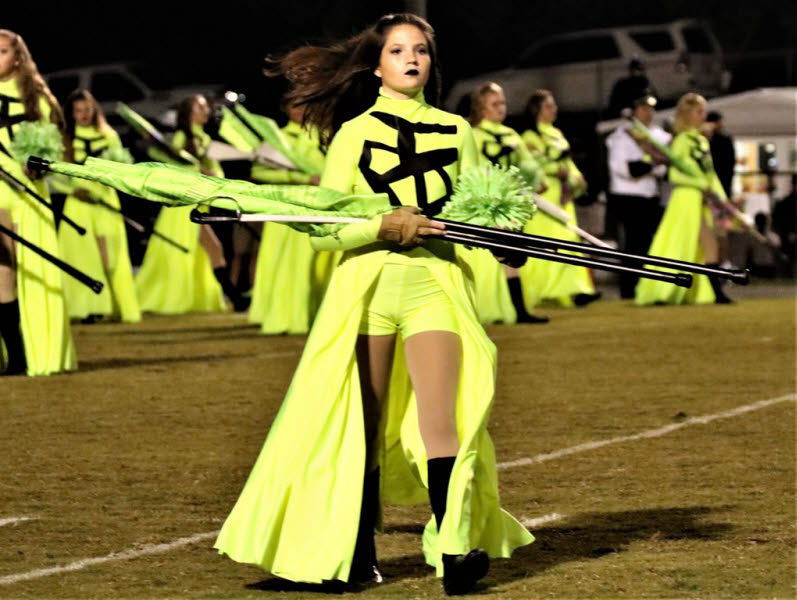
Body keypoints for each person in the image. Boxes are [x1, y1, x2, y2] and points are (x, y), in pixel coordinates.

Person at [214, 13, 533, 595]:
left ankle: (456, 551)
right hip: (366, 291)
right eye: (398, 50)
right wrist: (379, 226)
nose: (411, 59)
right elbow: (326, 226)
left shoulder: (458, 131)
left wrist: (504, 236)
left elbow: (475, 213)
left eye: (421, 51)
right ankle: (354, 559)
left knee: (445, 422)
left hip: (435, 286)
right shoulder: (355, 134)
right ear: (377, 63)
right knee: (360, 428)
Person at [0, 29, 75, 376]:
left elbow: (53, 143)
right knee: (2, 274)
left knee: (29, 271)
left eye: (1, 52)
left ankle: (34, 353)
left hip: (27, 193)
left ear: (17, 58)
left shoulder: (36, 96)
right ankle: (15, 356)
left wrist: (38, 165)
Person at [135, 94, 247, 313]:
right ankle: (235, 297)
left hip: (200, 203)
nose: (205, 112)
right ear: (188, 114)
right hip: (185, 205)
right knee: (214, 247)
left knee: (202, 252)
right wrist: (200, 171)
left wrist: (215, 175)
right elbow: (175, 170)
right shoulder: (180, 138)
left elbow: (216, 169)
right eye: (200, 108)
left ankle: (228, 296)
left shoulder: (204, 138)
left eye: (205, 108)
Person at [464, 81, 549, 324]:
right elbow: (471, 168)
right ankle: (481, 309)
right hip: (483, 204)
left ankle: (519, 311)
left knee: (512, 258)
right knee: (485, 260)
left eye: (502, 102)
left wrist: (537, 180)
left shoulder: (511, 134)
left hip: (510, 203)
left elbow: (527, 163)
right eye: (495, 103)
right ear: (481, 107)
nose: (501, 108)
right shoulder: (472, 134)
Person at [635, 93, 732, 305]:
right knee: (681, 245)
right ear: (687, 115)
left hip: (702, 199)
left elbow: (710, 174)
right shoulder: (681, 141)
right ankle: (663, 289)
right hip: (686, 199)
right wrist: (701, 186)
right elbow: (675, 175)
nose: (703, 116)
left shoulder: (701, 142)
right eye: (699, 112)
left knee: (709, 245)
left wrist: (721, 199)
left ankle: (715, 293)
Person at [58, 89, 141, 323]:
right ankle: (91, 307)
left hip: (104, 200)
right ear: (71, 113)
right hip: (77, 202)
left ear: (95, 110)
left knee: (109, 255)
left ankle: (116, 304)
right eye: (78, 111)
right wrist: (73, 190)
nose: (83, 115)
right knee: (83, 255)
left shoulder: (109, 135)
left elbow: (121, 169)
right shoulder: (66, 137)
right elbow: (57, 174)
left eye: (87, 110)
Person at [247, 101, 330, 334]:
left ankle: (314, 311)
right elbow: (258, 172)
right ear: (286, 110)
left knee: (316, 261)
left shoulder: (322, 135)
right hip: (288, 206)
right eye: (296, 106)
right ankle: (282, 313)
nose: (302, 111)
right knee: (281, 261)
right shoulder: (276, 138)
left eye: (305, 106)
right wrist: (302, 179)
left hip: (320, 206)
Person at [518, 90, 600, 308]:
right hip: (544, 195)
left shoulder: (556, 133)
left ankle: (575, 290)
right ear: (537, 110)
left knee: (570, 241)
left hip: (563, 195)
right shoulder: (530, 137)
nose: (554, 110)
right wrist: (559, 171)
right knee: (548, 244)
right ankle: (544, 291)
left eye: (553, 106)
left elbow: (568, 162)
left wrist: (577, 178)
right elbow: (534, 164)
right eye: (549, 106)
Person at [605, 91, 671, 298]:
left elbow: (665, 166)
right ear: (631, 112)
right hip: (628, 197)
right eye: (643, 108)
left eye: (650, 109)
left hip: (650, 196)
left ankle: (646, 286)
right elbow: (627, 170)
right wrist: (653, 163)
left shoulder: (657, 134)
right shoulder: (620, 136)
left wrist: (648, 166)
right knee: (633, 244)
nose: (648, 113)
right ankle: (629, 288)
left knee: (649, 243)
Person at [704, 111, 735, 199]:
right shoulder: (724, 139)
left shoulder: (704, 138)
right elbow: (731, 160)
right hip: (722, 176)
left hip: (712, 176)